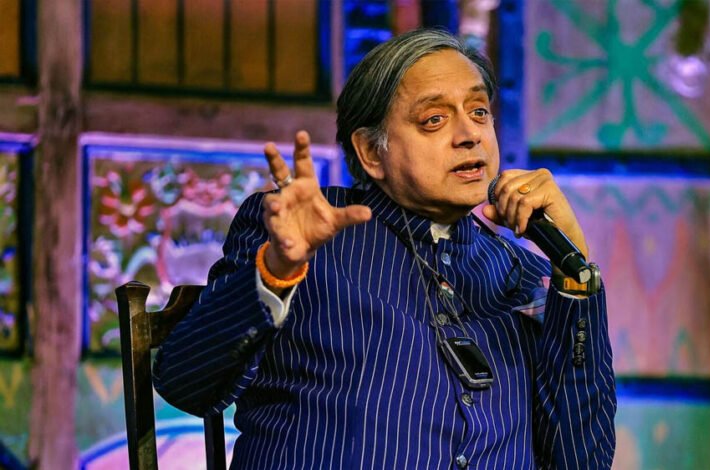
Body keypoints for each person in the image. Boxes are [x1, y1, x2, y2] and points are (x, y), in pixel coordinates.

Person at [153, 28, 616, 469]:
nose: (469, 134)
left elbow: (581, 461)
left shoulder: (523, 273)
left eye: (479, 112)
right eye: (434, 120)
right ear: (373, 152)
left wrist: (573, 269)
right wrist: (277, 271)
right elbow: (187, 383)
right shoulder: (303, 231)